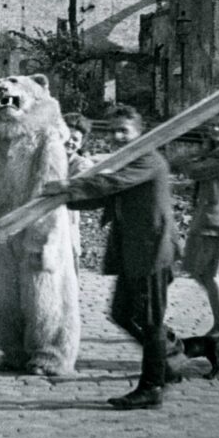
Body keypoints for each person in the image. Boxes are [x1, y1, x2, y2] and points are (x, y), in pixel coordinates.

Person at [43, 104, 179, 410]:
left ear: (139, 132)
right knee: (122, 313)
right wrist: (61, 200)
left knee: (150, 320)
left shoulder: (147, 158)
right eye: (113, 131)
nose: (117, 136)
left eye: (124, 131)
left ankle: (153, 385)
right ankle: (166, 359)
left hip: (153, 250)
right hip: (133, 251)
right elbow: (105, 195)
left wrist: (67, 186)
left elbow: (110, 183)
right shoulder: (127, 161)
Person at [174, 107, 219, 338]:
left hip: (218, 221)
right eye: (212, 125)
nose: (215, 129)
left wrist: (184, 160)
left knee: (209, 274)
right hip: (209, 219)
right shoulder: (218, 151)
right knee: (197, 270)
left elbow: (194, 171)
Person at [63, 112, 94, 276]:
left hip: (67, 225)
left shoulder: (82, 165)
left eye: (75, 139)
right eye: (66, 137)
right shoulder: (45, 159)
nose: (70, 142)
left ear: (81, 144)